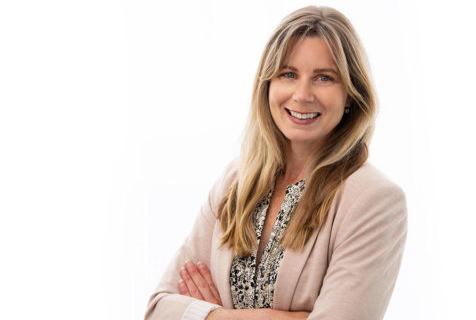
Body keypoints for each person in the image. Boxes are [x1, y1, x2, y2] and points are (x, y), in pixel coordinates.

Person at [144, 5, 407, 320]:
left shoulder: (373, 200)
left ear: (350, 93)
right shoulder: (235, 180)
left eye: (324, 78)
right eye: (288, 74)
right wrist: (266, 317)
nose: (302, 94)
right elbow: (158, 309)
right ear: (267, 83)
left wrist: (205, 314)